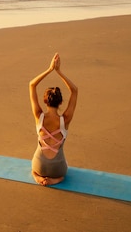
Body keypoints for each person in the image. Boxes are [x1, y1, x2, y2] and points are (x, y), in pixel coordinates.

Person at [29, 53, 78, 186]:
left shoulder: (39, 116)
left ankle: (38, 178)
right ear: (61, 102)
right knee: (63, 174)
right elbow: (74, 90)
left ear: (45, 101)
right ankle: (56, 180)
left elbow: (32, 85)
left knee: (33, 170)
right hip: (58, 168)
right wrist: (59, 71)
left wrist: (50, 69)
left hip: (40, 165)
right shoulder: (65, 119)